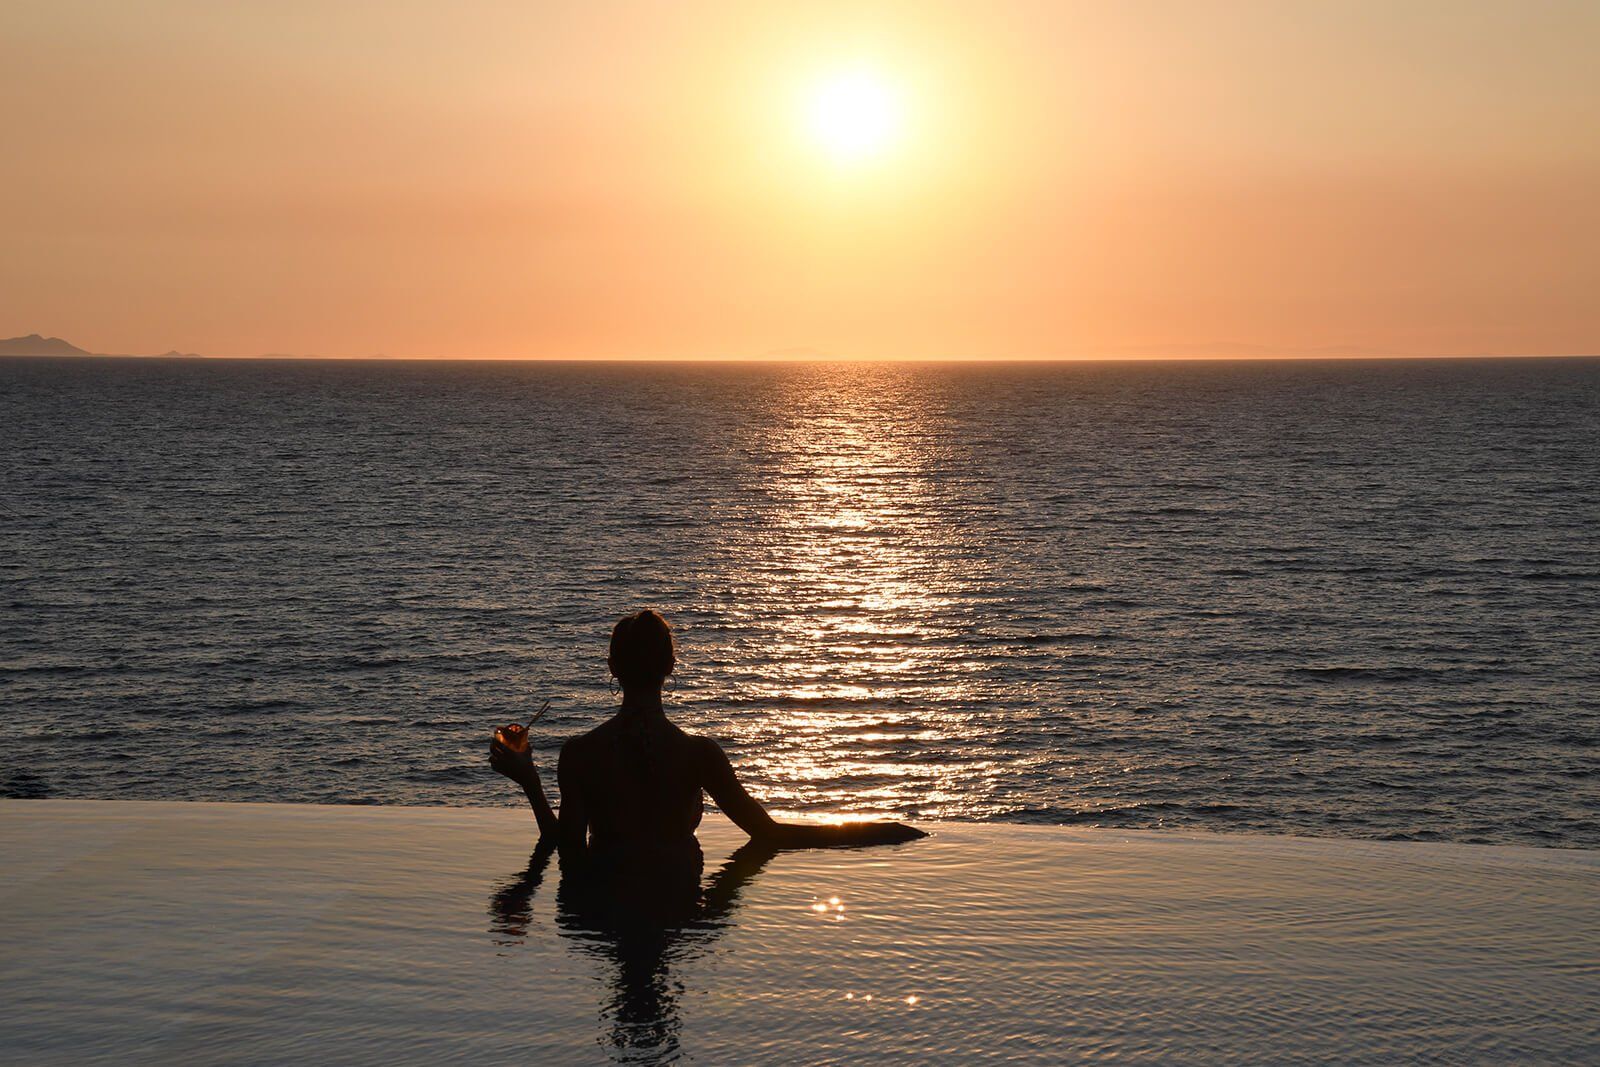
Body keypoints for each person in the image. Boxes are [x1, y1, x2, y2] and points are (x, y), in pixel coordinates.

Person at [489, 609, 926, 854]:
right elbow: (771, 833)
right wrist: (879, 830)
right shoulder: (699, 755)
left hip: (599, 913)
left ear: (612, 670)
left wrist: (530, 780)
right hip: (674, 906)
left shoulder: (581, 754)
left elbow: (568, 848)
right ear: (671, 669)